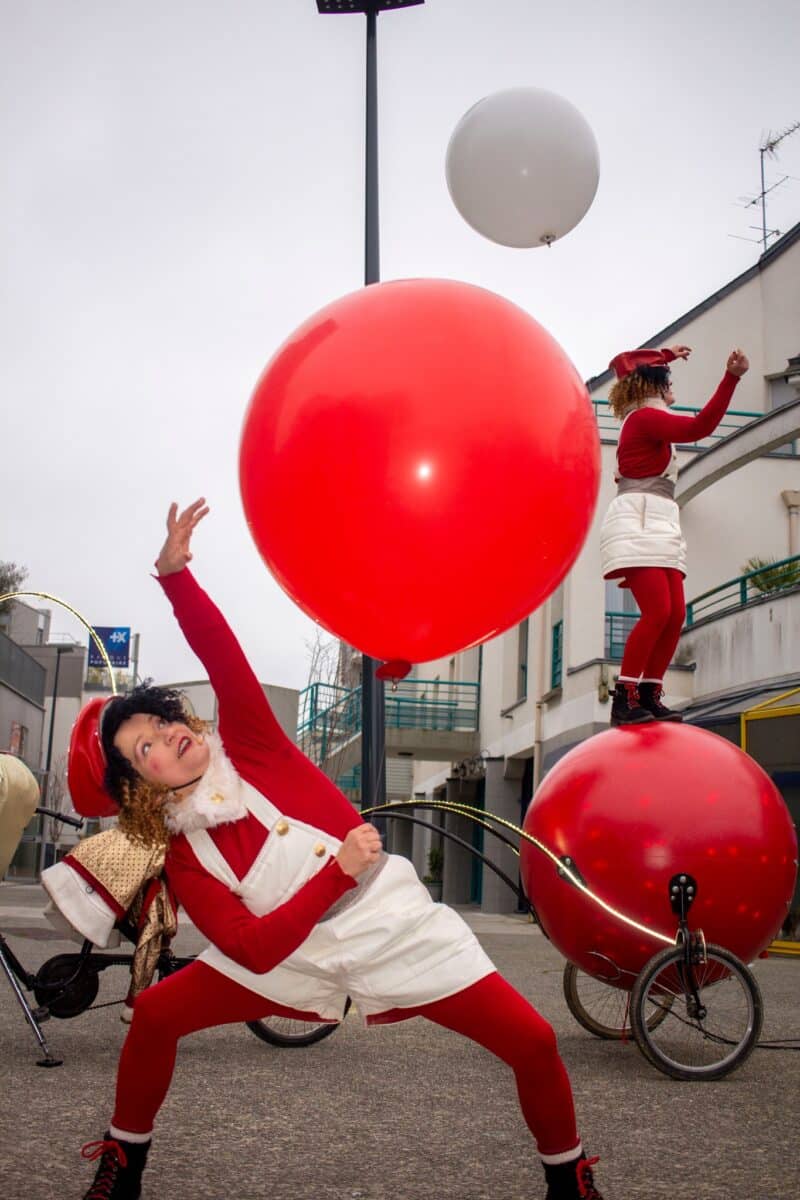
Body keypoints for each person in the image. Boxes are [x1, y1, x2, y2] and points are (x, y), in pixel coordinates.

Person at [75, 499, 604, 1200]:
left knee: (533, 1041)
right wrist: (334, 875)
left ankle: (570, 1181)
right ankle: (123, 1165)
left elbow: (221, 654)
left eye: (162, 721)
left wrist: (176, 577)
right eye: (144, 748)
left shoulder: (255, 746)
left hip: (388, 921)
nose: (167, 736)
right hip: (286, 953)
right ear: (141, 787)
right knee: (158, 1016)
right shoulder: (182, 855)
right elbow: (254, 951)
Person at [599, 344, 749, 725]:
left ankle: (649, 691)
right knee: (657, 612)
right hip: (639, 518)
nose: (672, 386)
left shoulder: (648, 417)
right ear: (655, 384)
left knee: (674, 614)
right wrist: (731, 378)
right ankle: (624, 698)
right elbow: (699, 428)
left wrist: (665, 355)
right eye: (667, 379)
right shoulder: (645, 418)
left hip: (660, 518)